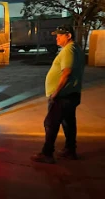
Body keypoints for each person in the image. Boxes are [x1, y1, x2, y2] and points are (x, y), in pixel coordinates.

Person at [31, 25, 85, 164]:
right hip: (71, 94)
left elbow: (66, 72)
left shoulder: (69, 50)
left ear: (68, 36)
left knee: (50, 123)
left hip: (63, 95)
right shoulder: (76, 48)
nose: (57, 38)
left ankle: (47, 153)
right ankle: (70, 150)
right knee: (68, 123)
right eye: (56, 35)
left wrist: (56, 92)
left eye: (60, 35)